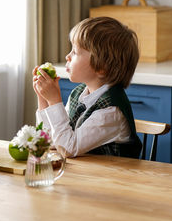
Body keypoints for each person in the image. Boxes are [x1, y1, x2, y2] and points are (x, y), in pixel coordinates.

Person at [32, 16, 142, 158]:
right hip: (84, 175)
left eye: (75, 52)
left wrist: (54, 101)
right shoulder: (79, 94)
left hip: (110, 178)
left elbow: (68, 149)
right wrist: (43, 99)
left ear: (101, 67)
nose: (67, 56)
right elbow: (50, 141)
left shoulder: (111, 111)